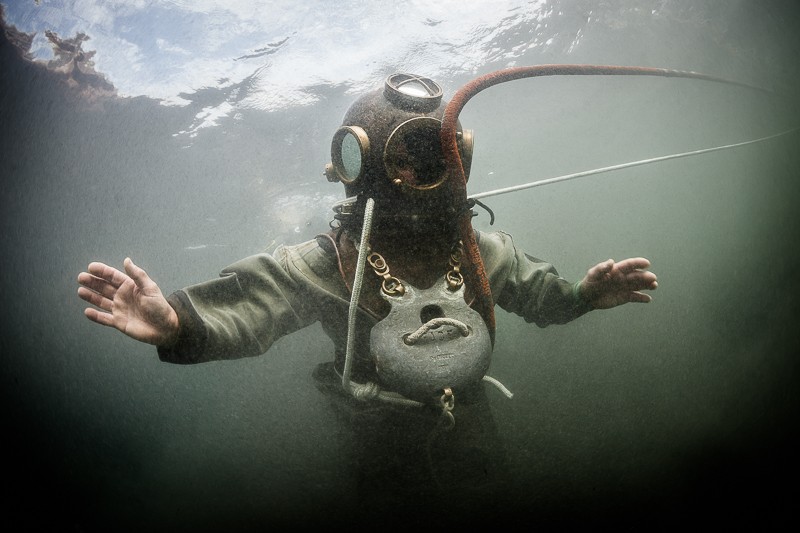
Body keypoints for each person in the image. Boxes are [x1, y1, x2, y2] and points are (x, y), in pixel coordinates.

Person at [77, 73, 657, 521]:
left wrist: (583, 295)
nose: (419, 172)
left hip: (475, 438)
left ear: (457, 157)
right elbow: (253, 305)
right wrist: (178, 322)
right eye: (402, 157)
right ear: (356, 162)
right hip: (379, 449)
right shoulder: (328, 264)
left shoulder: (484, 252)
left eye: (432, 154)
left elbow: (541, 298)